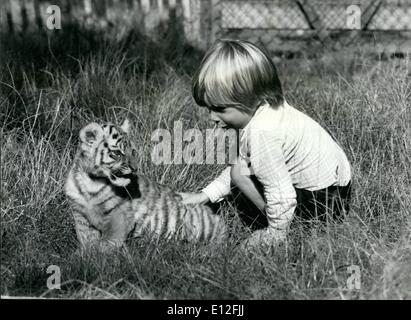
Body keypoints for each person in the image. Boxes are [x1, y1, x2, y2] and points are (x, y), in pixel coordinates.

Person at [179, 39, 352, 247]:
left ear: (250, 98)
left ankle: (287, 228)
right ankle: (280, 221)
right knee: (240, 170)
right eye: (208, 109)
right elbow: (245, 161)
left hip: (323, 203)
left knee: (239, 174)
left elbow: (281, 193)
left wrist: (274, 234)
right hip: (338, 189)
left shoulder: (262, 133)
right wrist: (206, 195)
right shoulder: (267, 110)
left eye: (220, 109)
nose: (212, 117)